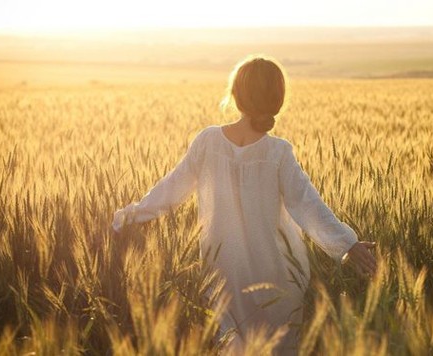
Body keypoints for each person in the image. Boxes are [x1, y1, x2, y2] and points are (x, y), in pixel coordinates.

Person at [112, 55, 377, 355]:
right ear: (277, 100)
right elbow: (308, 206)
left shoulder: (208, 142)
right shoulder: (278, 152)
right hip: (279, 277)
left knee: (230, 347)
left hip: (223, 274)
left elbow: (171, 189)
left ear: (236, 95)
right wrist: (347, 245)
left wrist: (129, 216)